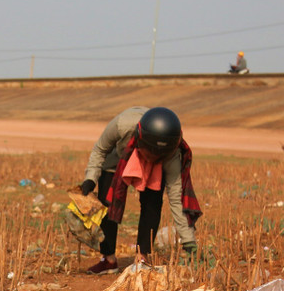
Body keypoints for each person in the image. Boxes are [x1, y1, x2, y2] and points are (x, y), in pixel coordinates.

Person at [79, 106, 202, 274]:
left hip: (156, 165)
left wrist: (188, 241)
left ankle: (142, 257)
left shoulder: (171, 152)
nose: (152, 157)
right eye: (150, 153)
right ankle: (108, 259)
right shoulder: (122, 125)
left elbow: (176, 198)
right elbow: (100, 149)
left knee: (153, 203)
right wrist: (90, 179)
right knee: (107, 200)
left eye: (158, 155)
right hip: (121, 155)